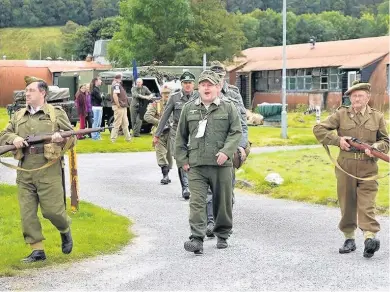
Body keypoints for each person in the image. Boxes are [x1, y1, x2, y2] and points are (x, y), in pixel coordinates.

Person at [0, 76, 75, 263]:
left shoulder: (56, 113)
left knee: (53, 211)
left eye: (31, 91)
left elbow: (73, 137)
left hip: (48, 169)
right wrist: (14, 139)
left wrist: (61, 139)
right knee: (27, 213)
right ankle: (37, 250)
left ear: (43, 92)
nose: (27, 94)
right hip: (25, 169)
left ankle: (65, 230)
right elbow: (4, 134)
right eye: (26, 91)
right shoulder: (18, 115)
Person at [313, 80, 389, 258]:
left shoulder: (377, 117)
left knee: (367, 203)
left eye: (360, 95)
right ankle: (349, 238)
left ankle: (370, 238)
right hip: (345, 165)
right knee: (347, 203)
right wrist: (337, 140)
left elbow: (386, 141)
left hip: (368, 167)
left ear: (367, 97)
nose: (356, 98)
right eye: (353, 96)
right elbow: (318, 129)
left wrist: (377, 147)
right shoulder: (341, 114)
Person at [175, 70, 242, 254]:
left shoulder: (228, 107)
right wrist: (183, 161)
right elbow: (180, 138)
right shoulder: (189, 108)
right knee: (197, 202)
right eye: (203, 84)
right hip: (196, 165)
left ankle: (222, 234)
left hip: (221, 165)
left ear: (218, 88)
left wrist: (226, 152)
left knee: (223, 202)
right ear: (198, 87)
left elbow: (236, 132)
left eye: (210, 85)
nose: (206, 88)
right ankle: (196, 238)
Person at [204, 61, 250, 237]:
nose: (218, 80)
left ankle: (223, 223)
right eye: (215, 76)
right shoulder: (203, 92)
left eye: (221, 76)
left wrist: (241, 146)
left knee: (227, 189)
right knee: (209, 188)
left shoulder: (234, 93)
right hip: (208, 147)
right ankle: (210, 222)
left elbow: (242, 123)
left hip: (229, 148)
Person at [154, 71, 198, 200]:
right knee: (180, 158)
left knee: (194, 159)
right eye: (185, 83)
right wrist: (157, 134)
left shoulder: (199, 97)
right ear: (182, 84)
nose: (188, 85)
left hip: (194, 132)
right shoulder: (174, 98)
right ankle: (185, 187)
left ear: (193, 84)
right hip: (177, 132)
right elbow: (164, 117)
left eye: (190, 83)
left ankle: (193, 184)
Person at [144, 86, 173, 184]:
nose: (167, 95)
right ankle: (165, 175)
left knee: (169, 154)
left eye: (168, 93)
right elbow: (147, 116)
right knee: (161, 153)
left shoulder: (175, 104)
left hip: (171, 132)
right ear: (161, 94)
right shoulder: (156, 105)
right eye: (165, 93)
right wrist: (160, 122)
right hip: (159, 133)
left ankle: (168, 173)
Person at [110, 74, 131, 143]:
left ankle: (128, 138)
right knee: (117, 123)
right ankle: (113, 139)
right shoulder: (116, 85)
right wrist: (118, 104)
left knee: (125, 123)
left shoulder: (116, 85)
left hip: (122, 106)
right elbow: (115, 95)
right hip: (119, 106)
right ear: (120, 78)